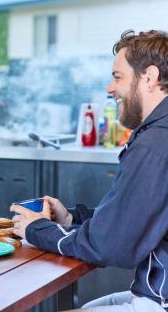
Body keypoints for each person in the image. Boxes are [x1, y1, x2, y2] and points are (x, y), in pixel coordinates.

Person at [11, 30, 168, 312]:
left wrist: (37, 230)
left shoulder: (155, 144)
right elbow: (133, 218)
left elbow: (110, 245)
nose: (110, 88)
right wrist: (72, 218)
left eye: (118, 77)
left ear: (149, 77)